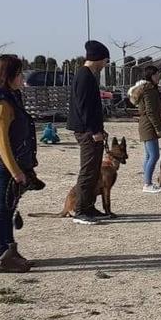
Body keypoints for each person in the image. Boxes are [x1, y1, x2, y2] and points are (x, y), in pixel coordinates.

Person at [0, 55, 41, 270]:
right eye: (19, 73)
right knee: (2, 210)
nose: (22, 77)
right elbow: (2, 141)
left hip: (13, 162)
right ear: (9, 76)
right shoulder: (1, 104)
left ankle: (9, 251)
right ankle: (3, 254)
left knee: (8, 208)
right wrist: (15, 171)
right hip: (4, 164)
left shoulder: (11, 96)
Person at [67, 40, 110, 224]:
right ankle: (80, 210)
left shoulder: (88, 75)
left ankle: (89, 206)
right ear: (98, 58)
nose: (105, 65)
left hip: (91, 130)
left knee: (93, 171)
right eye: (105, 61)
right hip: (86, 132)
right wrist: (94, 131)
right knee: (87, 170)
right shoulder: (84, 76)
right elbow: (84, 108)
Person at [130, 65, 161, 193]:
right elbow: (151, 111)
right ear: (151, 76)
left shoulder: (150, 89)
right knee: (154, 155)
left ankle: (147, 181)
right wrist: (158, 129)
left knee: (148, 155)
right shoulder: (149, 90)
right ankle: (147, 184)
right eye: (156, 75)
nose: (158, 77)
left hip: (146, 124)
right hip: (148, 126)